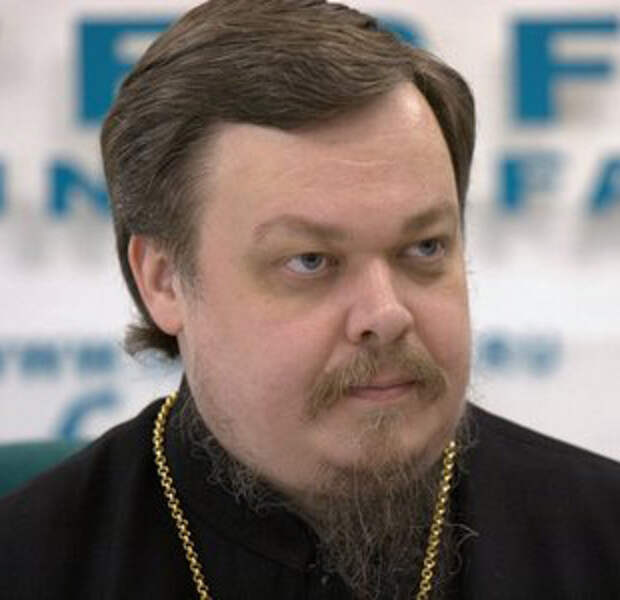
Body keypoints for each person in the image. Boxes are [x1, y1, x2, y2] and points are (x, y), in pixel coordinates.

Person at [2, 1, 619, 598]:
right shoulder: (28, 564)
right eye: (310, 261)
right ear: (164, 281)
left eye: (425, 247)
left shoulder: (600, 538)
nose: (386, 314)